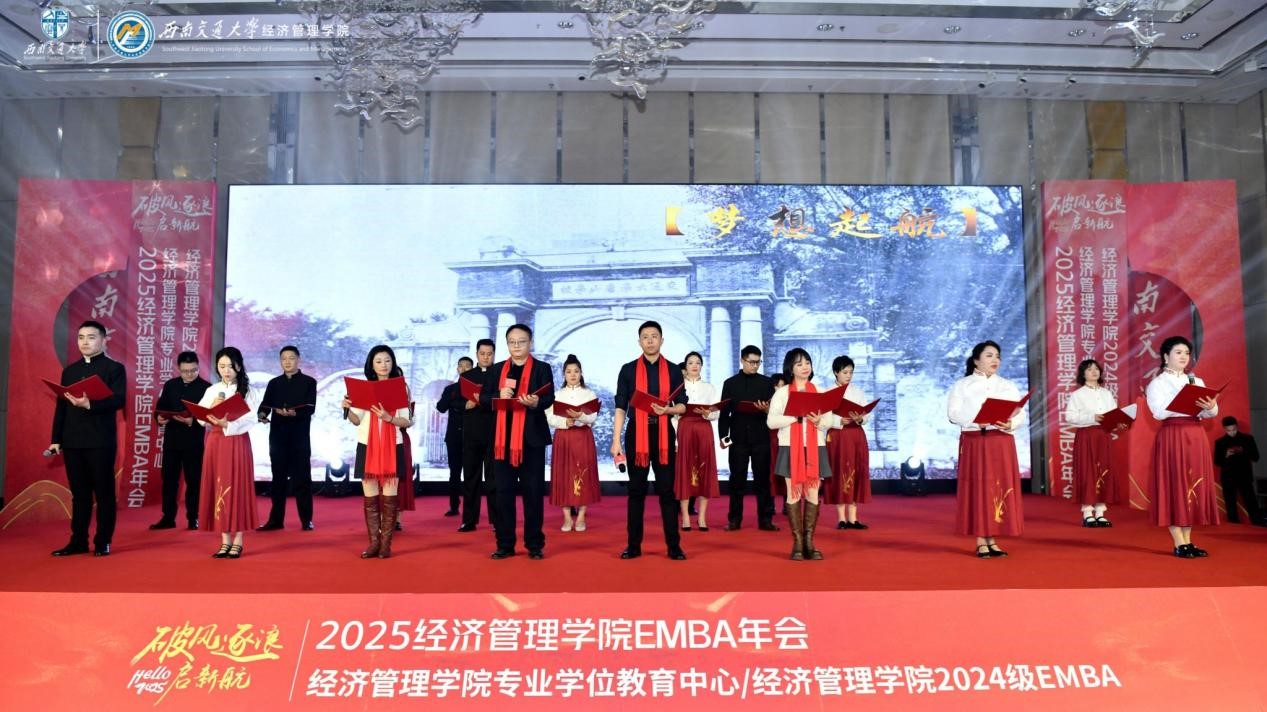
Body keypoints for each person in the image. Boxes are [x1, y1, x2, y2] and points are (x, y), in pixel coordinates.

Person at [48, 320, 126, 557]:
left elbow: (118, 401)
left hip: (100, 441)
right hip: (73, 441)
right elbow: (61, 407)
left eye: (91, 337)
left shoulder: (114, 369)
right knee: (79, 495)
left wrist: (89, 404)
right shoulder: (69, 371)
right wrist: (56, 439)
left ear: (104, 340)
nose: (85, 342)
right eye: (81, 337)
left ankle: (103, 541)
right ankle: (78, 541)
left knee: (103, 494)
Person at [612, 321, 689, 560]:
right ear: (639, 342)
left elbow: (683, 405)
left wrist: (668, 410)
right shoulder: (628, 370)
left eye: (654, 336)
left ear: (662, 340)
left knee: (667, 492)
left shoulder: (674, 370)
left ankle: (674, 546)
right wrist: (616, 440)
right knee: (636, 491)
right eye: (645, 336)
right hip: (637, 433)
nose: (650, 340)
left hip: (663, 433)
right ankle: (633, 546)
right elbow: (620, 406)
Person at [480, 324, 555, 560]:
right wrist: (498, 395)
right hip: (502, 442)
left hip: (531, 441)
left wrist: (535, 402)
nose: (516, 346)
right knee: (503, 493)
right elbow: (483, 398)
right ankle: (505, 544)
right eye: (512, 342)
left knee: (533, 493)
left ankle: (534, 544)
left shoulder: (542, 368)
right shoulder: (497, 370)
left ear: (530, 343)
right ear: (507, 344)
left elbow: (549, 397)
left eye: (521, 341)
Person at [946, 340, 1025, 559]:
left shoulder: (1007, 385)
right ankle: (981, 540)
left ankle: (994, 538)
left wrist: (1011, 423)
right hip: (976, 441)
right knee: (980, 488)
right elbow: (953, 414)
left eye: (997, 356)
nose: (995, 360)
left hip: (1001, 441)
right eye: (989, 355)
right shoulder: (963, 385)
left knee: (999, 487)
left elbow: (1020, 413)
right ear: (976, 360)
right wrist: (975, 420)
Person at [1146, 335, 1220, 557]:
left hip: (1195, 434)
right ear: (1165, 356)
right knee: (1175, 485)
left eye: (1186, 353)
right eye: (1178, 353)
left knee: (1193, 484)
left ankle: (1188, 540)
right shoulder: (1157, 383)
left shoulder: (1196, 381)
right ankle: (1179, 543)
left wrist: (1211, 406)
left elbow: (1210, 414)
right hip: (1173, 435)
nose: (1183, 357)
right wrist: (1181, 400)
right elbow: (1158, 413)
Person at [342, 345, 415, 559]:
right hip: (367, 445)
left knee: (390, 496)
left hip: (393, 445)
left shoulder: (400, 387)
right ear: (371, 365)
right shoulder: (363, 388)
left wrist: (388, 418)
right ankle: (374, 542)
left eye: (387, 360)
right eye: (379, 361)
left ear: (393, 363)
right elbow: (357, 420)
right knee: (370, 496)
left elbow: (407, 421)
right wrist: (346, 408)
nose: (384, 365)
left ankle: (386, 544)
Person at [767, 348, 833, 561]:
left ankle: (809, 542)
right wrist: (794, 417)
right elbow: (771, 421)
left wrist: (819, 421)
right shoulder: (782, 393)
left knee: (813, 494)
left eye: (807, 363)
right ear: (790, 368)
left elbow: (829, 421)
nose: (805, 367)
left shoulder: (820, 391)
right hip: (790, 447)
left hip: (815, 447)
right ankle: (797, 542)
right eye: (799, 364)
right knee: (793, 493)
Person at [196, 347, 260, 559]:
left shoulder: (249, 391)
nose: (226, 371)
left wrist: (227, 424)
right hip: (215, 441)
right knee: (218, 486)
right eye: (221, 366)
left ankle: (238, 540)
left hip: (237, 441)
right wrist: (211, 409)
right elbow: (200, 417)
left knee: (237, 486)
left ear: (238, 367)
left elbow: (251, 419)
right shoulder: (212, 390)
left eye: (230, 366)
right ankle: (224, 540)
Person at [256, 345, 318, 531]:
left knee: (302, 479)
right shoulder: (274, 383)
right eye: (284, 359)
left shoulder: (309, 382)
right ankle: (276, 520)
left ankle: (306, 520)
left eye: (291, 358)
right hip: (278, 437)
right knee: (278, 480)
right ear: (280, 361)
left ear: (298, 360)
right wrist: (262, 415)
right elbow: (265, 405)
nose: (287, 362)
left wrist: (294, 413)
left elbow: (310, 408)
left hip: (299, 437)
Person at [718, 345, 778, 532]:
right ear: (742, 361)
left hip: (761, 437)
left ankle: (766, 519)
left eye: (758, 362)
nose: (755, 366)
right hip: (738, 439)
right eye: (751, 362)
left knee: (763, 481)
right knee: (737, 480)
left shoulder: (767, 383)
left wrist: (766, 410)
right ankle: (734, 519)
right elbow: (724, 413)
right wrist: (724, 437)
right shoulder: (730, 383)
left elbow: (775, 412)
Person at [152, 351, 210, 531]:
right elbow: (160, 407)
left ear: (198, 367)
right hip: (172, 441)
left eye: (193, 370)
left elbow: (209, 416)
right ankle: (168, 517)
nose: (189, 374)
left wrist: (193, 421)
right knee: (169, 480)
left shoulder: (207, 388)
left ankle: (193, 517)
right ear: (178, 368)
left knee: (194, 481)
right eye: (185, 371)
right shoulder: (171, 385)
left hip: (194, 442)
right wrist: (159, 418)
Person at [1064, 358, 1122, 527]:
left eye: (1096, 368)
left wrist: (1118, 422)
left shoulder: (1106, 393)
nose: (1094, 371)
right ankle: (1088, 512)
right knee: (1087, 471)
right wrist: (1092, 417)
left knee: (1103, 470)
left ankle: (1100, 512)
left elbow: (1113, 414)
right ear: (1083, 374)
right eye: (1089, 369)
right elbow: (1070, 417)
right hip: (1087, 436)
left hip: (1103, 436)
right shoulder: (1078, 394)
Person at [546, 354, 601, 532]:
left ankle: (582, 517)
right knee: (564, 475)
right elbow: (550, 417)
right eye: (569, 371)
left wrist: (580, 416)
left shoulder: (589, 393)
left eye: (576, 371)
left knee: (583, 474)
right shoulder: (557, 394)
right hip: (563, 438)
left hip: (583, 437)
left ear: (581, 373)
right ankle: (567, 518)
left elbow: (593, 417)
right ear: (564, 374)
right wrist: (565, 421)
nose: (572, 375)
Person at [823, 355, 872, 530]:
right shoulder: (828, 392)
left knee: (855, 470)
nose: (849, 376)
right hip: (838, 436)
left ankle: (853, 518)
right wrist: (838, 421)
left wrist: (861, 418)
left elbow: (866, 413)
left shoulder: (858, 391)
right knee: (839, 471)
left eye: (851, 372)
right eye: (845, 372)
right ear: (836, 372)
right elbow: (822, 419)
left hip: (856, 435)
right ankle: (842, 518)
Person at [674, 351, 720, 531]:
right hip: (684, 428)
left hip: (703, 428)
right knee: (685, 470)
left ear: (702, 366)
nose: (694, 365)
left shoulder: (709, 388)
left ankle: (702, 517)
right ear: (685, 367)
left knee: (704, 470)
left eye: (698, 362)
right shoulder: (678, 387)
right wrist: (675, 438)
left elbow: (716, 412)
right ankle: (685, 516)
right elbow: (673, 415)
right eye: (691, 362)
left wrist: (708, 413)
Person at [458, 339, 499, 533]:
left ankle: (497, 520)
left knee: (494, 479)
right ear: (476, 354)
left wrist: (483, 400)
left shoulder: (499, 374)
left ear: (494, 354)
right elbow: (455, 401)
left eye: (489, 354)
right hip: (472, 434)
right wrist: (465, 405)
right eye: (482, 353)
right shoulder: (467, 376)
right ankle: (469, 520)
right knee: (470, 478)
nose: (486, 357)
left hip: (493, 433)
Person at [435, 356, 472, 518]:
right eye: (461, 366)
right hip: (454, 437)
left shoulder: (477, 389)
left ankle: (471, 508)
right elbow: (440, 407)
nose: (463, 369)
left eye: (467, 366)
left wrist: (457, 404)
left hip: (472, 437)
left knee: (471, 474)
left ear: (473, 369)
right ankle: (454, 506)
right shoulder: (450, 389)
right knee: (454, 473)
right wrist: (455, 400)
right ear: (457, 369)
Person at [1214, 416, 1263, 525]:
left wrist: (1243, 450)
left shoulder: (1248, 439)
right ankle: (1234, 527)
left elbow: (1256, 457)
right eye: (1228, 430)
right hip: (1228, 478)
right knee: (1230, 505)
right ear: (1224, 429)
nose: (1232, 432)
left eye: (1234, 429)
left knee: (1251, 503)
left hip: (1245, 476)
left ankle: (1259, 525)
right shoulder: (1220, 442)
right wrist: (1226, 455)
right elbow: (1217, 462)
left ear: (1237, 426)